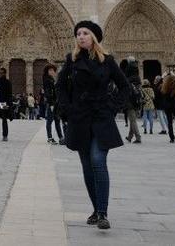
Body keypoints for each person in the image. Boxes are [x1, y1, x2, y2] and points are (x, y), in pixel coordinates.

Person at [56, 20, 130, 231]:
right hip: (80, 118)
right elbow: (60, 86)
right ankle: (96, 209)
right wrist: (67, 108)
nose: (80, 36)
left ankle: (103, 213)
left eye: (85, 33)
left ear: (93, 37)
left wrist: (113, 106)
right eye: (78, 33)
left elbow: (125, 87)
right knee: (87, 167)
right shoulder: (71, 60)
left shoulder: (107, 61)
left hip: (100, 116)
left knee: (98, 160)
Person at [120, 58, 141, 144]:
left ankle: (138, 137)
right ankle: (130, 136)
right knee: (133, 119)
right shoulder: (138, 79)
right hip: (137, 100)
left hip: (130, 101)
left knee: (132, 120)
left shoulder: (128, 80)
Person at [42, 65, 64, 145]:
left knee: (57, 120)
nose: (51, 71)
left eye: (53, 70)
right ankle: (50, 138)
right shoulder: (47, 80)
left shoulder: (53, 80)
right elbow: (48, 93)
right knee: (50, 121)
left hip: (56, 102)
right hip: (51, 103)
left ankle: (61, 138)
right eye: (50, 70)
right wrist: (51, 104)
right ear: (47, 71)